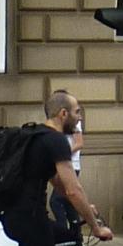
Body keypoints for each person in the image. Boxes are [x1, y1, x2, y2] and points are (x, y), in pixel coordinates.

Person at [2, 91, 113, 246]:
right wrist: (95, 227)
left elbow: (57, 182)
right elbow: (73, 189)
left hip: (16, 215)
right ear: (63, 114)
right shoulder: (56, 141)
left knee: (68, 240)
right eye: (77, 112)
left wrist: (85, 207)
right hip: (30, 220)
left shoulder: (37, 135)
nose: (80, 118)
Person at [47, 89, 83, 230]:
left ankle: (64, 230)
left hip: (71, 165)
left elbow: (79, 143)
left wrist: (63, 153)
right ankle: (75, 232)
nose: (79, 117)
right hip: (62, 164)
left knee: (56, 201)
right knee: (68, 202)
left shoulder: (73, 123)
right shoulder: (52, 131)